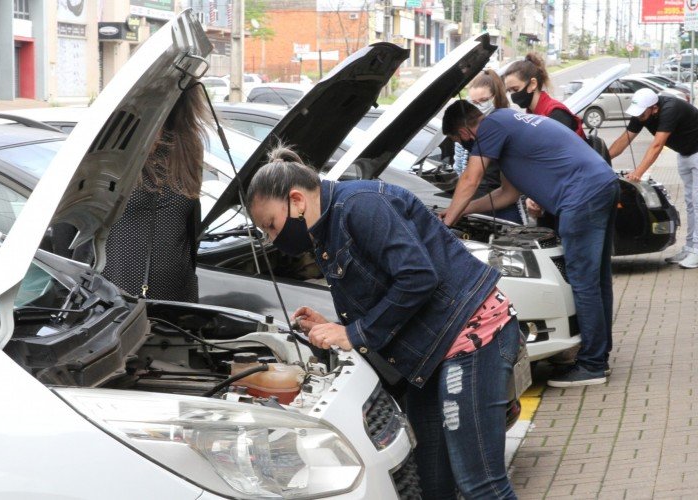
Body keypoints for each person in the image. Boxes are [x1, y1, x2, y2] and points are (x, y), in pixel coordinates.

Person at [246, 146, 521, 499]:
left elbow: (418, 277)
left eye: (270, 225)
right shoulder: (327, 228)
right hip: (432, 354)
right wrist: (332, 325)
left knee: (480, 483)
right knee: (433, 484)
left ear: (296, 200)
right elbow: (382, 291)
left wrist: (355, 332)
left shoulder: (361, 204)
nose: (272, 238)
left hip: (473, 338)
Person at [441, 101, 619, 388]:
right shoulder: (507, 122)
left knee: (584, 281)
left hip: (581, 195)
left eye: (458, 142)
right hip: (601, 184)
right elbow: (507, 195)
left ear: (464, 132)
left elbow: (470, 178)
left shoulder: (491, 127)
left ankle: (592, 364)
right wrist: (462, 211)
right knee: (597, 279)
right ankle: (599, 356)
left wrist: (446, 222)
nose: (464, 148)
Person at [101, 85, 212, 301]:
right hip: (118, 298)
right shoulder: (115, 144)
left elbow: (189, 227)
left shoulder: (189, 145)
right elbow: (73, 225)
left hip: (178, 297)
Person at [608, 87, 698, 269]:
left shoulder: (670, 109)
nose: (638, 116)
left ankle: (697, 251)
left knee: (697, 202)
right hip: (685, 154)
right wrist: (601, 159)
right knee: (690, 202)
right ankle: (690, 247)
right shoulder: (642, 112)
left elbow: (657, 145)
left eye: (642, 113)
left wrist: (638, 172)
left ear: (654, 108)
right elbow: (624, 140)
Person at [504, 53, 589, 227]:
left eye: (515, 89)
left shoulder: (555, 114)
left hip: (577, 195)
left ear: (532, 84)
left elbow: (557, 164)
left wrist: (537, 196)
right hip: (556, 195)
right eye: (509, 91)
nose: (513, 96)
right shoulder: (532, 115)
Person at [452, 69, 526, 224]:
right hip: (476, 201)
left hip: (502, 203)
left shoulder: (502, 125)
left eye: (483, 100)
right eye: (473, 102)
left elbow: (472, 179)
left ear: (495, 97)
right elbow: (462, 169)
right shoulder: (468, 131)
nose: (477, 106)